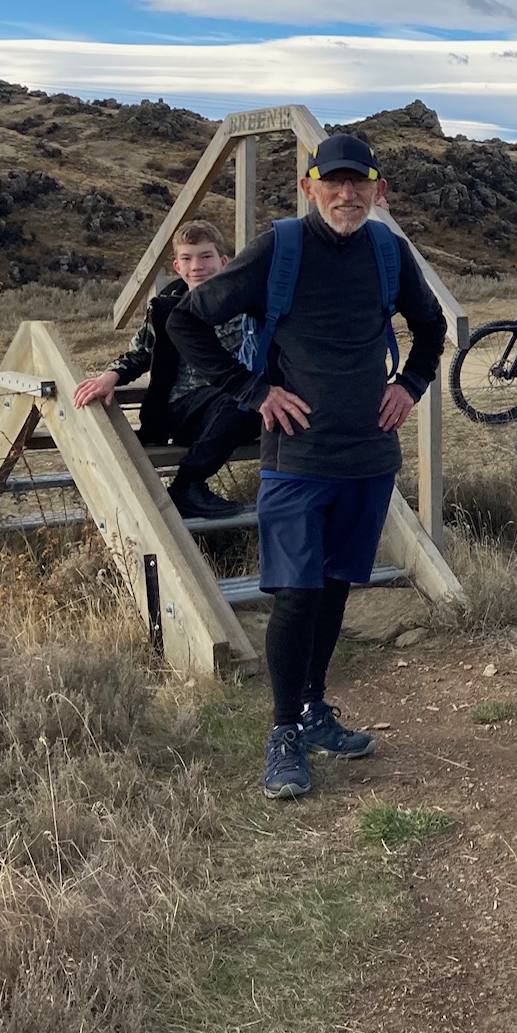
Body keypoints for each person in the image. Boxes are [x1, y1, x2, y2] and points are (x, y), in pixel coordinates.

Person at [169, 133, 445, 799]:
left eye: (359, 183)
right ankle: (283, 731)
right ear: (309, 186)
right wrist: (253, 392)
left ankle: (316, 709)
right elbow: (187, 322)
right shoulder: (281, 248)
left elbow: (431, 325)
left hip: (367, 454)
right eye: (333, 182)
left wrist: (408, 384)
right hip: (295, 457)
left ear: (378, 191)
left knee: (333, 587)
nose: (346, 194)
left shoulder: (389, 250)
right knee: (296, 595)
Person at [72, 219, 261, 521]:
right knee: (244, 398)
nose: (196, 265)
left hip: (237, 405)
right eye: (187, 258)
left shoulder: (247, 307)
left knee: (259, 397)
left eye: (205, 256)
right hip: (184, 408)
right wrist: (110, 377)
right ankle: (186, 486)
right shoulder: (166, 309)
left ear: (224, 261)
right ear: (177, 266)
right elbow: (140, 352)